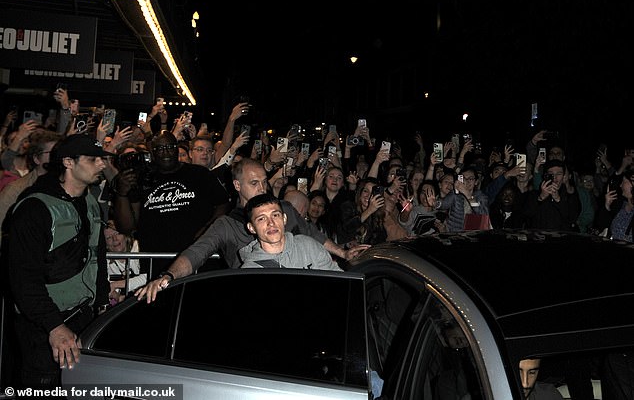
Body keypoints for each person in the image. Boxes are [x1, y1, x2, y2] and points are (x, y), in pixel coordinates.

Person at [135, 158, 368, 303]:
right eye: (254, 183)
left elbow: (312, 234)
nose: (262, 188)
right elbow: (196, 253)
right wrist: (167, 277)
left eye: (264, 182)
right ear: (237, 186)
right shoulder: (226, 225)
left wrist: (343, 253)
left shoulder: (282, 208)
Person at [7, 134, 111, 391]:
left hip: (82, 317)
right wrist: (54, 326)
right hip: (43, 326)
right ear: (68, 162)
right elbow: (23, 277)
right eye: (93, 159)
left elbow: (98, 256)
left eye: (102, 159)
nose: (101, 164)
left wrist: (101, 302)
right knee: (44, 387)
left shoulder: (90, 202)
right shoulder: (35, 207)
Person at [111, 131, 230, 276]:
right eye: (160, 149)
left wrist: (208, 230)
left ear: (177, 148)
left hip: (197, 258)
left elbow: (223, 204)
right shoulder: (143, 178)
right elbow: (127, 227)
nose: (166, 152)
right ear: (152, 153)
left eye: (170, 147)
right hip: (157, 261)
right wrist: (121, 194)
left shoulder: (199, 174)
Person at [239, 193, 342, 270]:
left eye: (275, 215)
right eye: (262, 219)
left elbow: (336, 277)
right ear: (251, 228)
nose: (271, 223)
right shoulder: (250, 271)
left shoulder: (308, 246)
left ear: (284, 219)